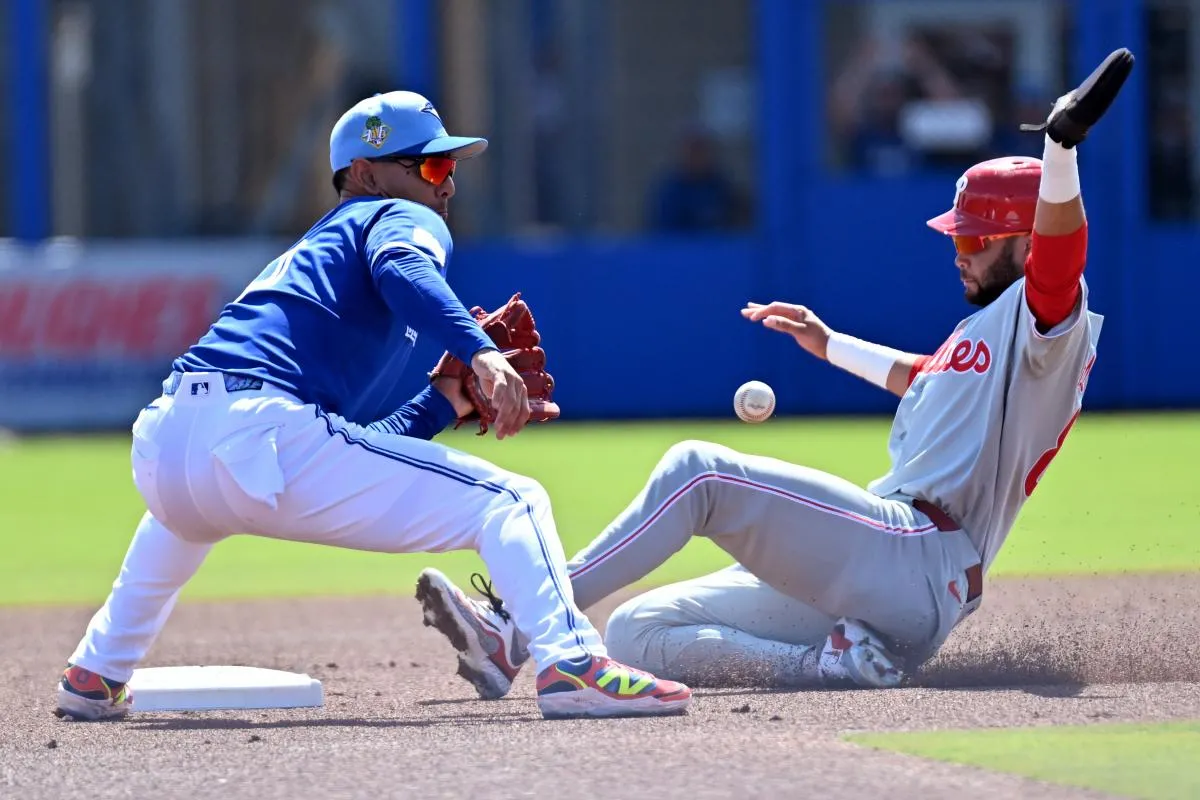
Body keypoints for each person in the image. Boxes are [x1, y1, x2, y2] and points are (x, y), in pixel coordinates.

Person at [416, 51, 1132, 694]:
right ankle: (836, 665)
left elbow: (1061, 258)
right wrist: (830, 345)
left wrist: (1060, 149)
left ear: (1025, 243)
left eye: (974, 238)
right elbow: (928, 377)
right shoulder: (987, 333)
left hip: (922, 554)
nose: (958, 251)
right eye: (957, 236)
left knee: (699, 473)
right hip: (887, 573)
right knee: (638, 629)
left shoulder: (1046, 324)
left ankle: (515, 627)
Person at [54, 91, 691, 722]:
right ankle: (573, 663)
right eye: (432, 166)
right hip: (258, 428)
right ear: (363, 175)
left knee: (184, 519)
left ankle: (97, 669)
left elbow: (342, 451)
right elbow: (402, 269)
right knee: (512, 501)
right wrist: (479, 352)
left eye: (452, 168)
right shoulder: (389, 217)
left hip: (167, 437)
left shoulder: (313, 255)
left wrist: (443, 402)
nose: (446, 185)